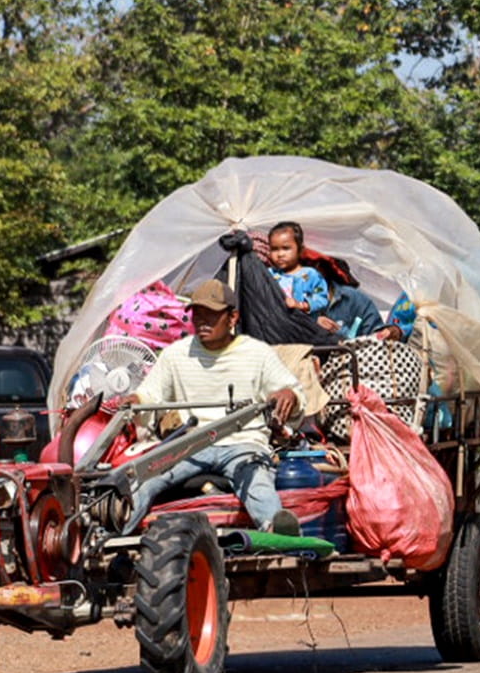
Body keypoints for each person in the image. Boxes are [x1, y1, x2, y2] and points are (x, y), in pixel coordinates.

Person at [113, 280, 305, 536]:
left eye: (212, 314)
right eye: (198, 314)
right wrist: (135, 401)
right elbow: (150, 394)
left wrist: (288, 395)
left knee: (257, 483)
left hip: (243, 443)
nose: (203, 321)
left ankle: (278, 533)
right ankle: (112, 537)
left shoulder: (258, 353)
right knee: (144, 479)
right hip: (190, 445)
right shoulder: (175, 354)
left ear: (232, 317)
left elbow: (291, 392)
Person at [267, 222, 330, 316]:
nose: (280, 254)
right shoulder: (270, 274)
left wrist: (302, 305)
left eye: (286, 248)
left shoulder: (311, 275)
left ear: (300, 250)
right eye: (274, 249)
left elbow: (322, 298)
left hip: (303, 326)